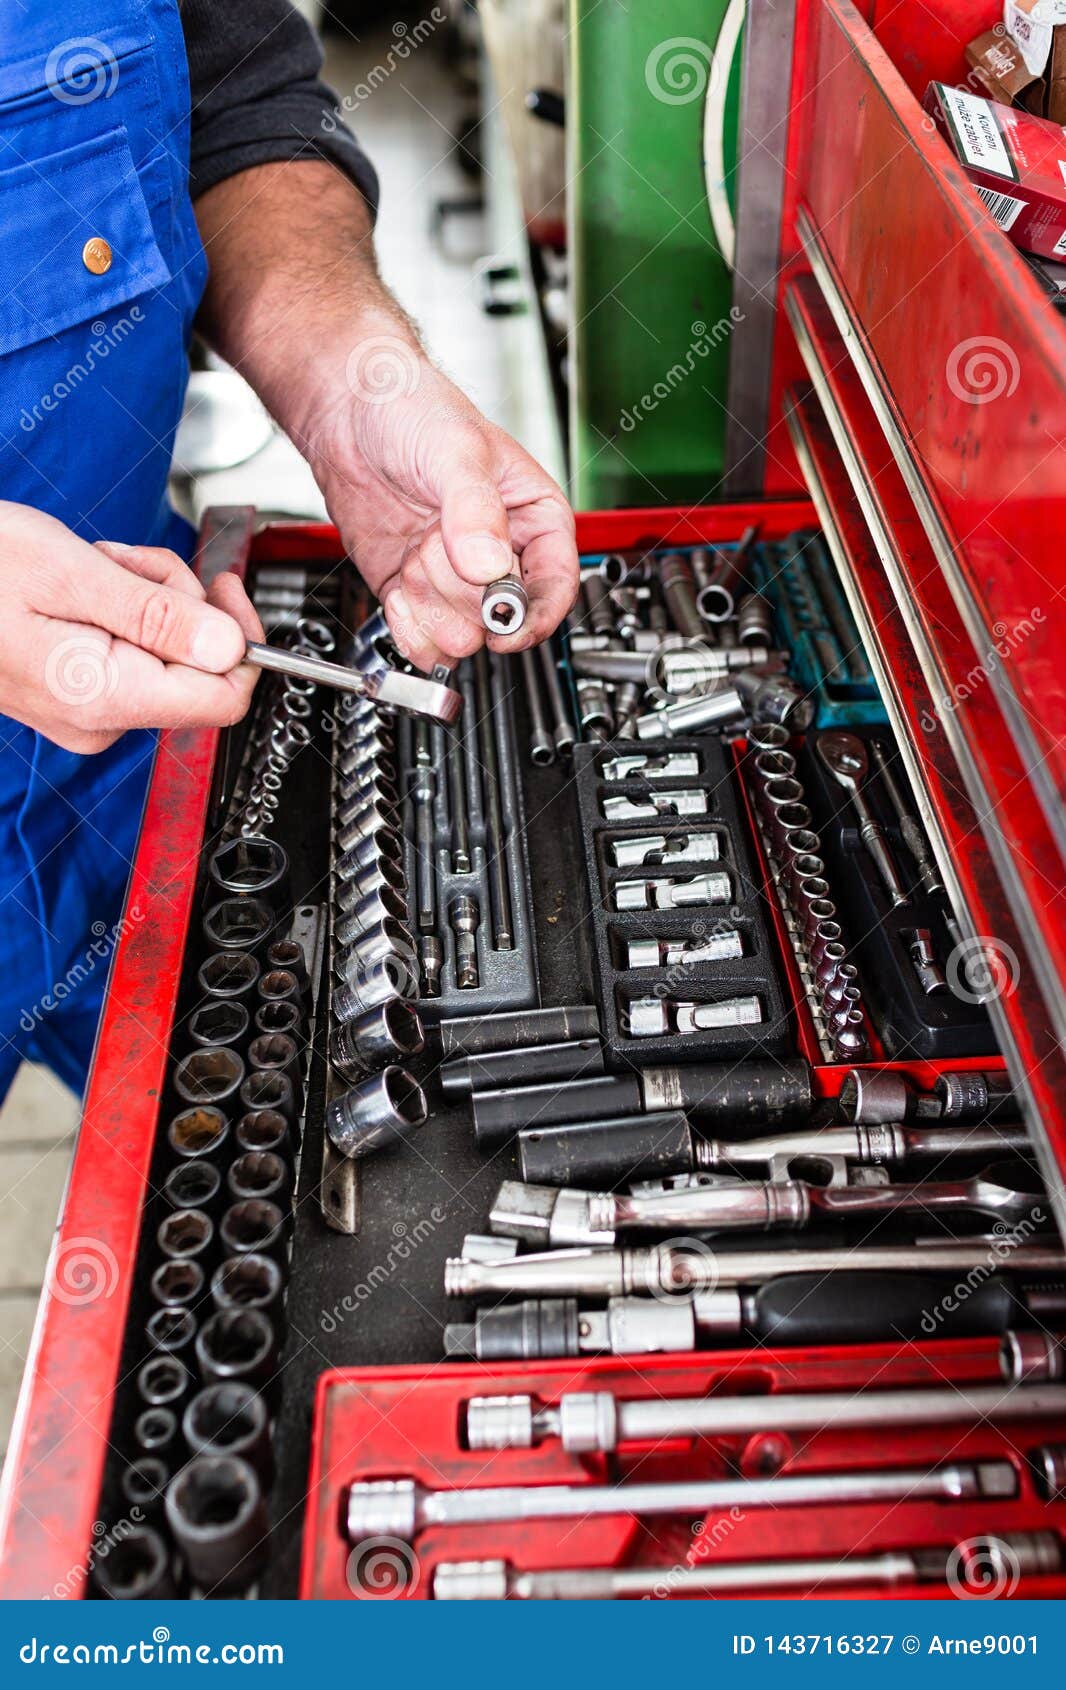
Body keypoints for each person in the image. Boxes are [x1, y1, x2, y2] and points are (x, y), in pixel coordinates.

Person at [0, 1, 578, 1101]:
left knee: (247, 1123)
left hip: (140, 728)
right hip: (139, 660)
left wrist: (351, 378)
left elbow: (234, 115)